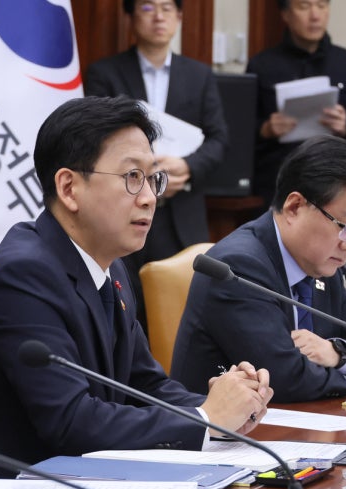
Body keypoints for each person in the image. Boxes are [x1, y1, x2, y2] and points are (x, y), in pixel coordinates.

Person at [0, 96, 272, 489]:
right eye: (133, 176)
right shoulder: (23, 274)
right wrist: (205, 419)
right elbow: (70, 419)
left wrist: (226, 409)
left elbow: (144, 385)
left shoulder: (109, 265)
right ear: (68, 187)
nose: (150, 198)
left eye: (153, 179)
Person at [171, 136, 346, 402]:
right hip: (227, 435)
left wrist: (337, 354)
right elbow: (286, 380)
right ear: (294, 206)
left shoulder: (322, 266)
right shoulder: (238, 266)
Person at [85, 0, 228, 332]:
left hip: (182, 214)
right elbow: (95, 138)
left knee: (187, 314)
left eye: (167, 8)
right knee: (128, 312)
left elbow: (220, 140)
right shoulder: (106, 73)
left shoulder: (199, 74)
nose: (159, 16)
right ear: (131, 16)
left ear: (179, 17)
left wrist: (187, 167)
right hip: (124, 206)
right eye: (148, 8)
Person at [246, 0, 346, 205]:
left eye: (322, 5)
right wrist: (266, 129)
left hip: (338, 182)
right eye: (304, 7)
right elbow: (239, 129)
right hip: (277, 184)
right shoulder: (262, 65)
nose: (315, 15)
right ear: (285, 14)